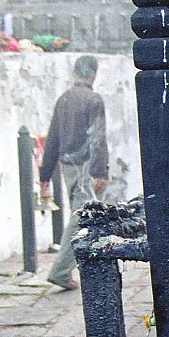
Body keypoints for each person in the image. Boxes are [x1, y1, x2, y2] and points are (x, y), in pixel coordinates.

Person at [40, 55, 108, 290]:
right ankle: (60, 270)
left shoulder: (64, 99)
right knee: (82, 218)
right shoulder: (93, 99)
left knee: (84, 217)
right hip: (84, 167)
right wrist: (100, 172)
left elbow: (53, 138)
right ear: (93, 74)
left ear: (74, 73)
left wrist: (45, 174)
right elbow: (98, 138)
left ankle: (88, 264)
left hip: (67, 167)